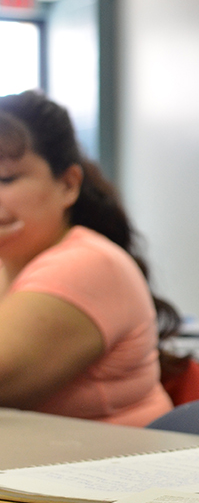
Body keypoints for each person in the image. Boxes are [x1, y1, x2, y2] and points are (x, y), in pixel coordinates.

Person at [0, 90, 175, 425]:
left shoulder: (86, 263)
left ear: (68, 184)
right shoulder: (10, 263)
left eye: (6, 178)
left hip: (120, 472)